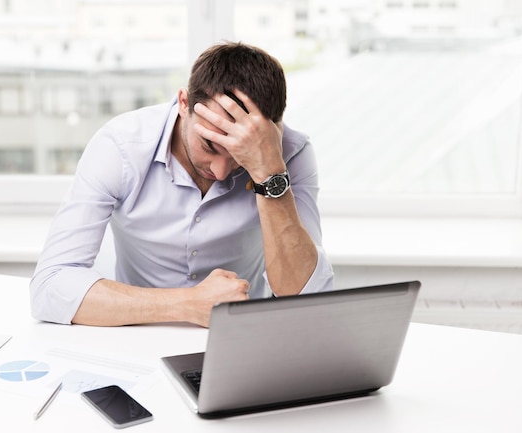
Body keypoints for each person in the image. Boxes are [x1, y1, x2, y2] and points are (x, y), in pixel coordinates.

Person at [30, 41, 334, 327]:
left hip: (241, 338)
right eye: (210, 145)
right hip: (135, 332)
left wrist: (268, 173)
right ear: (184, 103)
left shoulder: (289, 153)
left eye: (240, 155)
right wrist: (188, 304)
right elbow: (50, 287)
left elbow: (305, 298)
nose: (221, 171)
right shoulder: (121, 147)